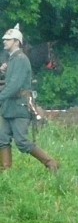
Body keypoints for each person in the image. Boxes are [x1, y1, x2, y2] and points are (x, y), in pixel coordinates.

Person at [0, 24, 59, 172]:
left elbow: (14, 86)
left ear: (16, 42)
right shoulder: (12, 59)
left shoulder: (20, 59)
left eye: (8, 39)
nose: (4, 41)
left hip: (20, 107)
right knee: (2, 139)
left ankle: (51, 163)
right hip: (9, 106)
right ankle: (6, 172)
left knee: (22, 142)